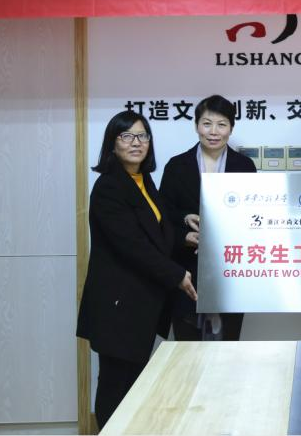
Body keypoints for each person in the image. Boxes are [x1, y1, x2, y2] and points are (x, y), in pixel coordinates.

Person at [76, 111, 197, 429]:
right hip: (117, 306)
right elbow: (133, 246)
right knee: (116, 386)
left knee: (133, 385)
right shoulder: (109, 187)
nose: (136, 143)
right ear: (112, 143)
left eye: (142, 136)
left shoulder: (143, 181)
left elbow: (156, 232)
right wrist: (177, 275)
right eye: (126, 136)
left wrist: (184, 234)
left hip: (140, 304)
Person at [159, 95, 257, 341]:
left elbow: (253, 219)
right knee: (187, 350)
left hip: (231, 273)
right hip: (186, 272)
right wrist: (185, 231)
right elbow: (162, 217)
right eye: (207, 123)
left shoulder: (245, 166)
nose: (213, 132)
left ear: (231, 128)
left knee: (227, 348)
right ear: (196, 126)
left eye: (221, 124)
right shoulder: (176, 166)